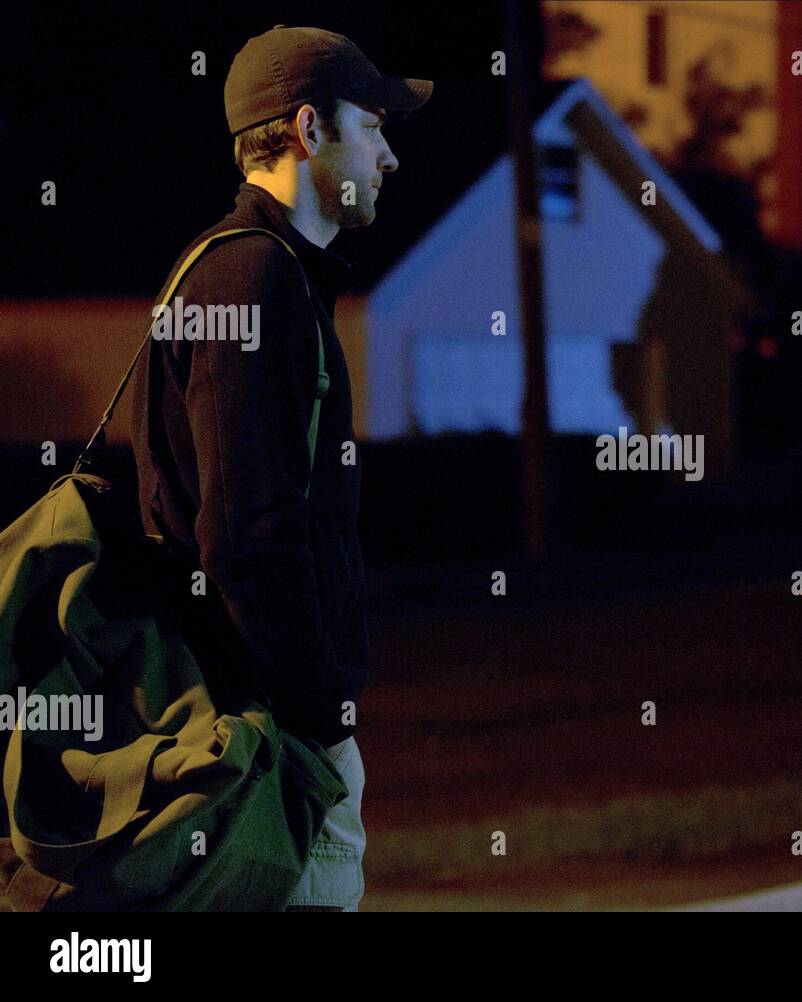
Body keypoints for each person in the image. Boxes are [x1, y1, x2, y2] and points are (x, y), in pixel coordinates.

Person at [129, 25, 431, 911]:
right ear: (308, 128)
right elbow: (248, 536)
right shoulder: (252, 281)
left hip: (250, 722)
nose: (389, 157)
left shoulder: (257, 274)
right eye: (372, 128)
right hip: (262, 735)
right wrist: (318, 721)